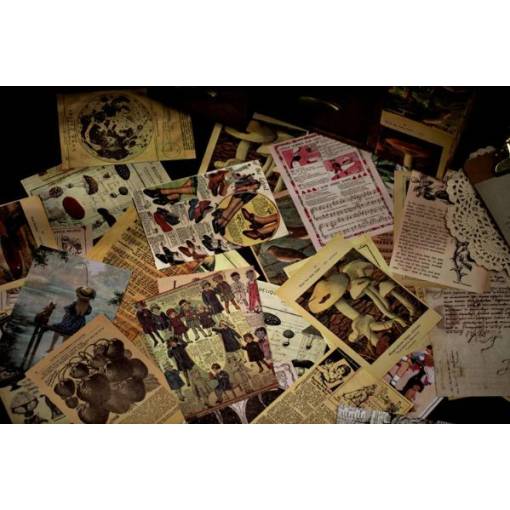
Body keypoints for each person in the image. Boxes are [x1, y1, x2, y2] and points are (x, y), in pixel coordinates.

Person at [48, 286, 96, 352]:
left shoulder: (75, 304)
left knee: (58, 330)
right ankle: (59, 349)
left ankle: (52, 347)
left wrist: (65, 317)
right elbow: (84, 313)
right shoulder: (88, 307)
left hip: (71, 321)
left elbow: (68, 312)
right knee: (66, 335)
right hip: (79, 323)